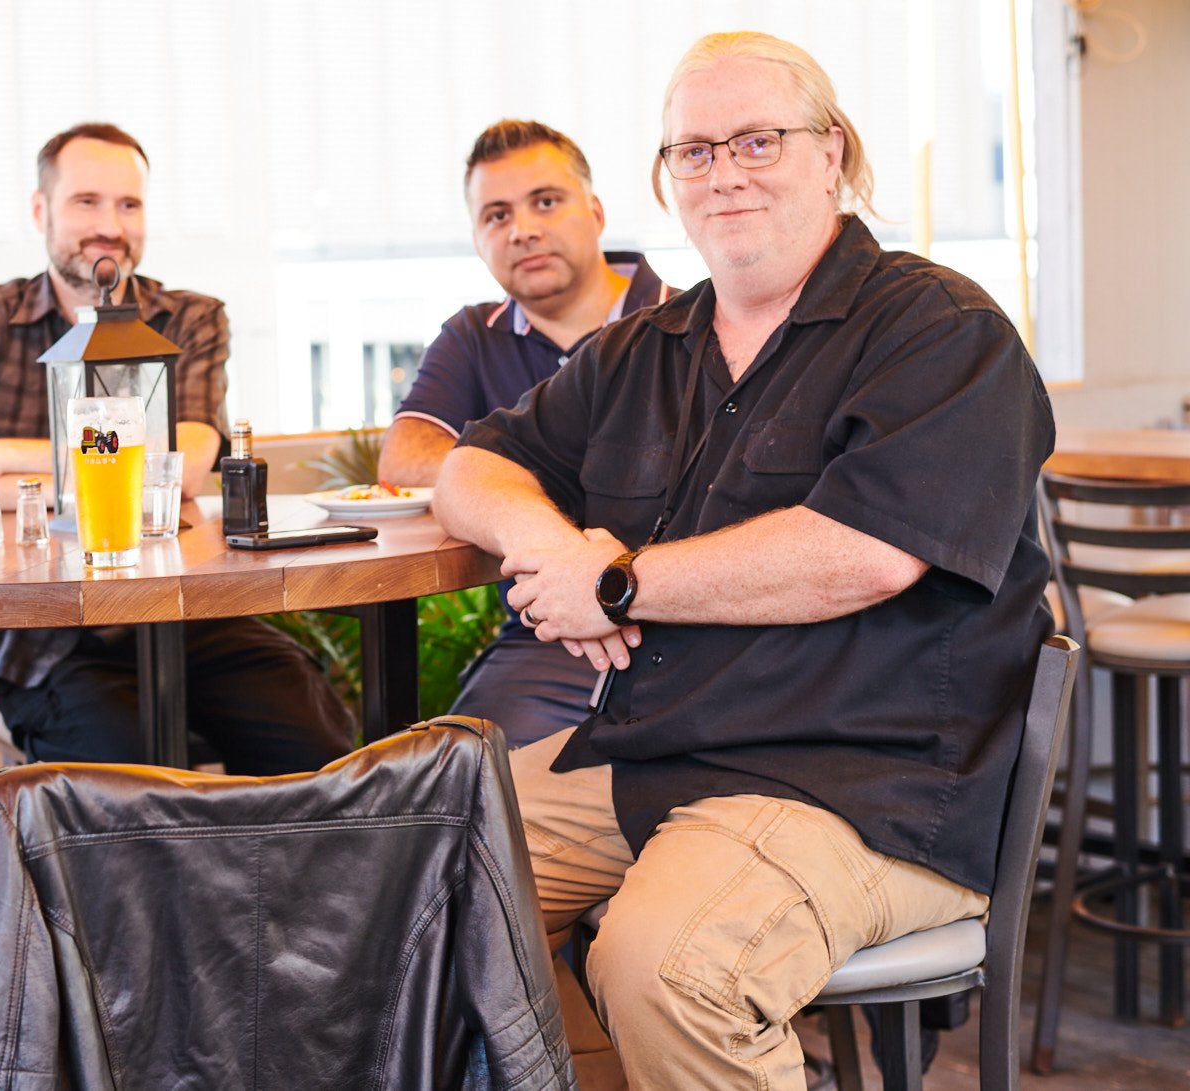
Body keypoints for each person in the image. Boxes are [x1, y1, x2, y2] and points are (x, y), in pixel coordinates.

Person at [432, 32, 1055, 1088]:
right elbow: (472, 466)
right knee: (399, 879)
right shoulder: (642, 349)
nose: (725, 172)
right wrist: (548, 543)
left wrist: (620, 580)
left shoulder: (943, 328)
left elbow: (866, 554)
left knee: (668, 966)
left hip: (864, 782)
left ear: (832, 152)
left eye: (758, 140)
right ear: (666, 179)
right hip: (660, 752)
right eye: (695, 151)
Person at [0, 122, 352, 773]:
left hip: (192, 617)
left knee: (323, 750)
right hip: (48, 639)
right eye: (86, 201)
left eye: (129, 204)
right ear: (41, 210)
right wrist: (96, 471)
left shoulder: (190, 318)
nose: (110, 224)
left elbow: (183, 462)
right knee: (128, 781)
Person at [382, 120, 673, 747]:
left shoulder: (688, 317)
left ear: (594, 212)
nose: (522, 229)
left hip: (690, 620)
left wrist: (514, 482)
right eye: (496, 215)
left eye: (546, 202)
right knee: (458, 772)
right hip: (545, 637)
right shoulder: (473, 335)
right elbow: (407, 458)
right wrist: (531, 514)